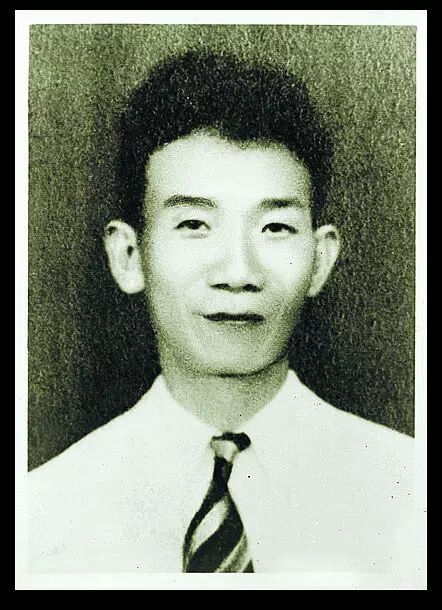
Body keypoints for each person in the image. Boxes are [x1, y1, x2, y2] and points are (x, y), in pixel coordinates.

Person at [28, 51, 415, 578]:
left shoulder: (407, 494)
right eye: (194, 225)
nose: (238, 272)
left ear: (320, 260)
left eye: (275, 228)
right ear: (129, 256)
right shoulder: (42, 516)